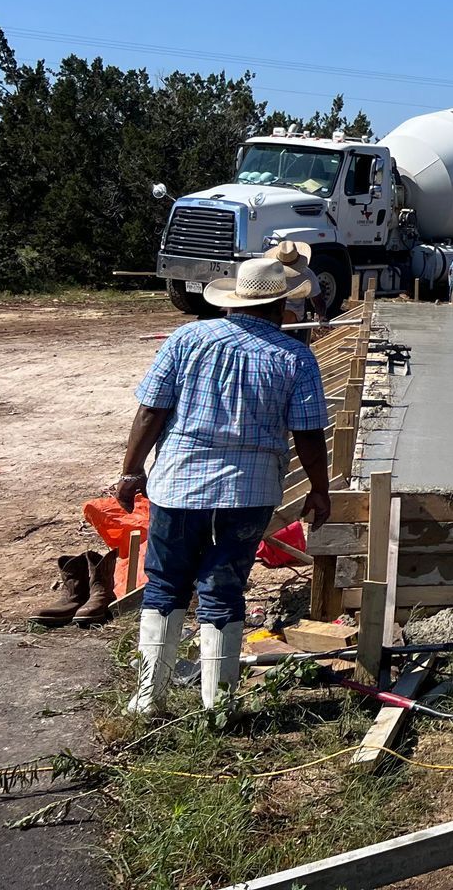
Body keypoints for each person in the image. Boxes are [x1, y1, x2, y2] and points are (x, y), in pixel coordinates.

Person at [114, 253, 331, 716]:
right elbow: (309, 433)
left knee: (166, 584)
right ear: (283, 306)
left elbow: (151, 410)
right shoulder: (295, 357)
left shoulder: (188, 338)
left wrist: (132, 471)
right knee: (224, 589)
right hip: (248, 495)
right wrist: (319, 489)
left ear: (234, 302)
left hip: (179, 487)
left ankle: (149, 697)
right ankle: (218, 705)